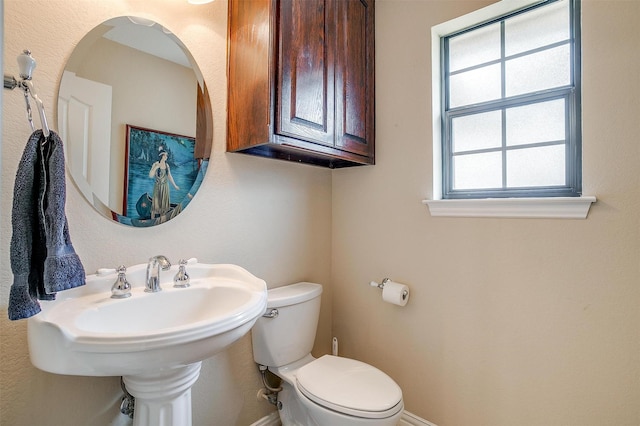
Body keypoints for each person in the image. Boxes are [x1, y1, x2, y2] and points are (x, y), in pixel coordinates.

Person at [148, 150, 179, 218]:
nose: (166, 157)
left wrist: (175, 186)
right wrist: (156, 167)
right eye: (165, 155)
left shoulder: (167, 165)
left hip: (165, 188)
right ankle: (152, 220)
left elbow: (169, 176)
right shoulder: (156, 164)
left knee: (163, 207)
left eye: (166, 155)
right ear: (161, 156)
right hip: (157, 187)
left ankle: (161, 221)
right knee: (155, 206)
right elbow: (150, 175)